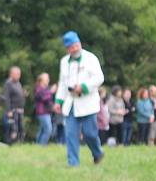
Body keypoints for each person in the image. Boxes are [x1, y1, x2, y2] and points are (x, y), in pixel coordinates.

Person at [54, 31, 104, 167]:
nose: (74, 49)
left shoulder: (90, 58)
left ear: (79, 44)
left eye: (76, 45)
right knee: (70, 134)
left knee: (90, 134)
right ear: (67, 48)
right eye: (71, 47)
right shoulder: (64, 62)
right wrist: (59, 101)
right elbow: (63, 83)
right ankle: (73, 163)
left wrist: (83, 87)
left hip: (88, 103)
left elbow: (99, 78)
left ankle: (98, 153)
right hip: (71, 103)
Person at [2, 66, 26, 144]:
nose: (19, 76)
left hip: (20, 110)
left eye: (19, 74)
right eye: (17, 74)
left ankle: (20, 143)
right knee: (13, 129)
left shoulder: (18, 83)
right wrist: (9, 110)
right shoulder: (8, 83)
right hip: (12, 110)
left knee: (21, 128)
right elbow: (7, 98)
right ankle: (11, 144)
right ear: (11, 74)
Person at [33, 73, 55, 145]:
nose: (48, 80)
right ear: (42, 80)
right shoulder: (38, 88)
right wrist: (51, 92)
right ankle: (42, 145)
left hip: (46, 112)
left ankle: (38, 146)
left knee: (42, 130)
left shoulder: (45, 89)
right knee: (48, 130)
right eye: (47, 79)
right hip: (42, 112)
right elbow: (44, 98)